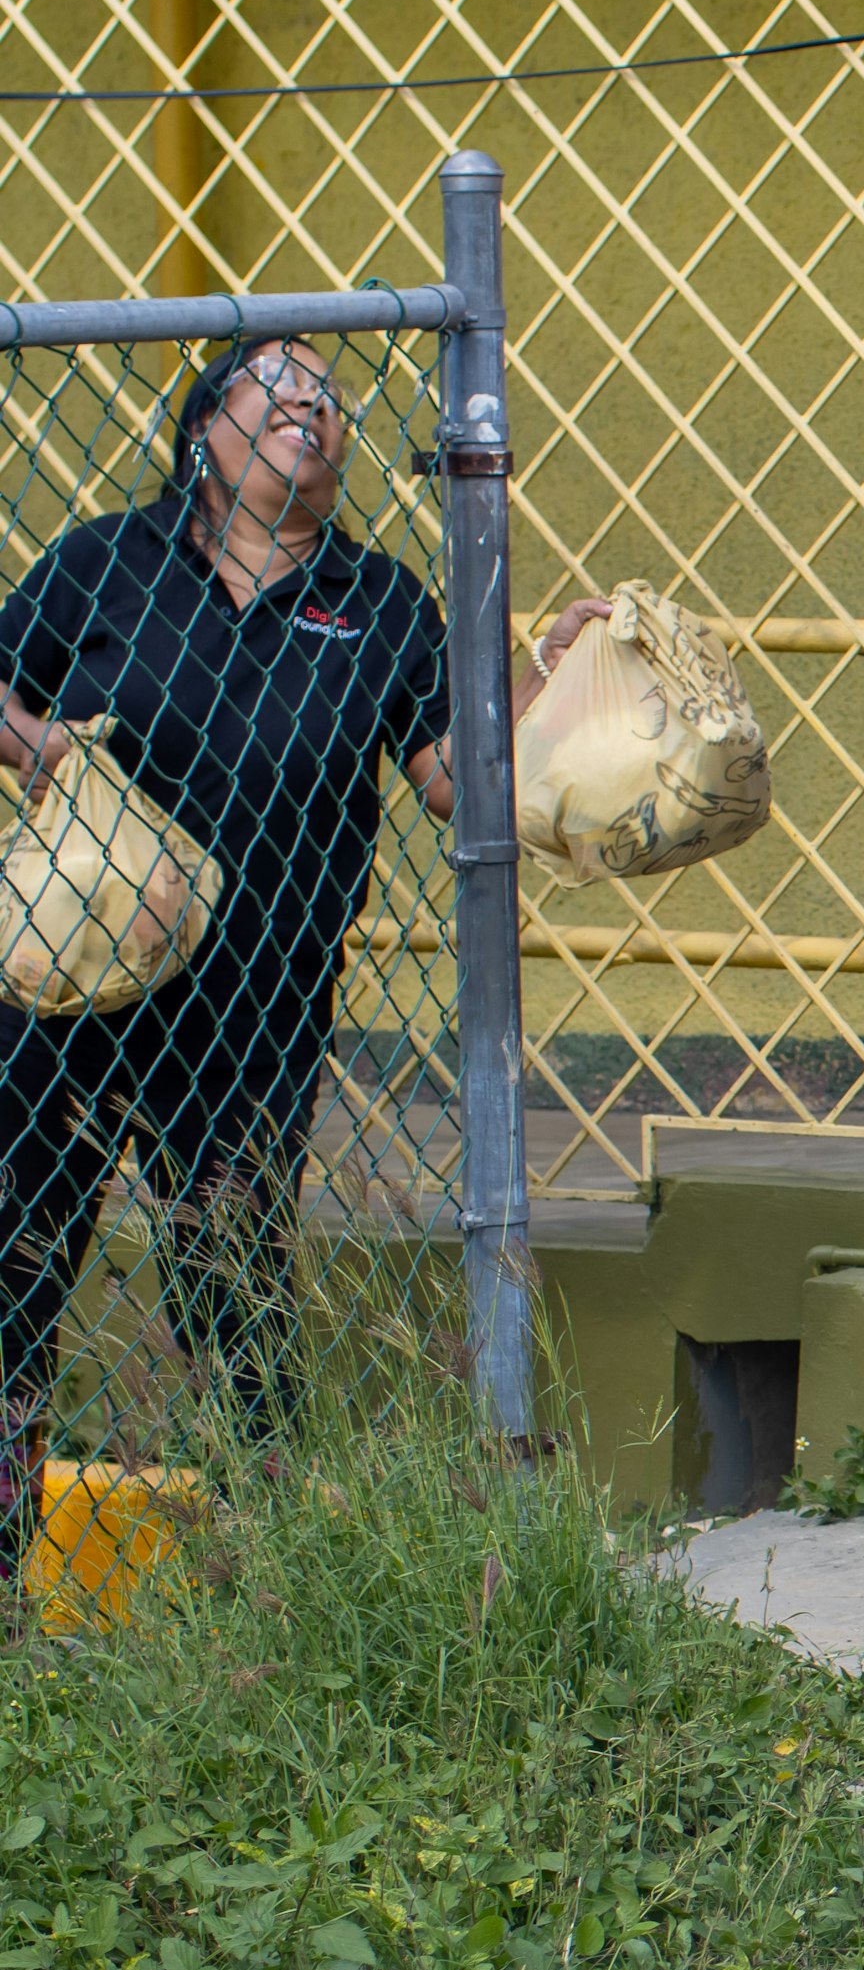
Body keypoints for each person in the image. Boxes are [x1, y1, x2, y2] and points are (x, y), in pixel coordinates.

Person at [0, 337, 599, 1552]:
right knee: (17, 1275)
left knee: (237, 1301)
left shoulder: (379, 603)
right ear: (201, 431)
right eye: (275, 388)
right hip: (66, 1004)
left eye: (329, 400)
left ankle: (265, 1567)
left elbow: (454, 784)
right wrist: (49, 755)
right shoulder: (108, 562)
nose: (310, 410)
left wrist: (548, 679)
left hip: (253, 1013)